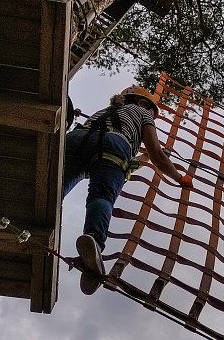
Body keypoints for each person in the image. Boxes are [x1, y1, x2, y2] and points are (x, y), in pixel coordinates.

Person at [63, 86, 193, 294]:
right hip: (114, 146)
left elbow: (134, 158)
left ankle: (41, 204)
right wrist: (179, 177)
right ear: (143, 104)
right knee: (102, 196)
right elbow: (156, 153)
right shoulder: (142, 113)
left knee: (58, 183)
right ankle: (94, 241)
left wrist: (144, 159)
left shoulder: (107, 110)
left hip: (77, 139)